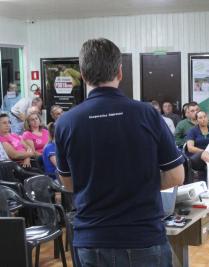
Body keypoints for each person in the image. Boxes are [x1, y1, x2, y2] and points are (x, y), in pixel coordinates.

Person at [55, 38, 185, 267]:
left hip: (92, 240)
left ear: (83, 75)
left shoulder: (66, 122)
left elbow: (68, 184)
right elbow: (176, 176)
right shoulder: (147, 114)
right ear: (120, 72)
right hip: (143, 237)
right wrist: (139, 185)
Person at [186, 111, 209, 175]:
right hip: (197, 157)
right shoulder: (192, 131)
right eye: (200, 118)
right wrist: (205, 153)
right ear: (197, 120)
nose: (203, 119)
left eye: (205, 117)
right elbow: (190, 148)